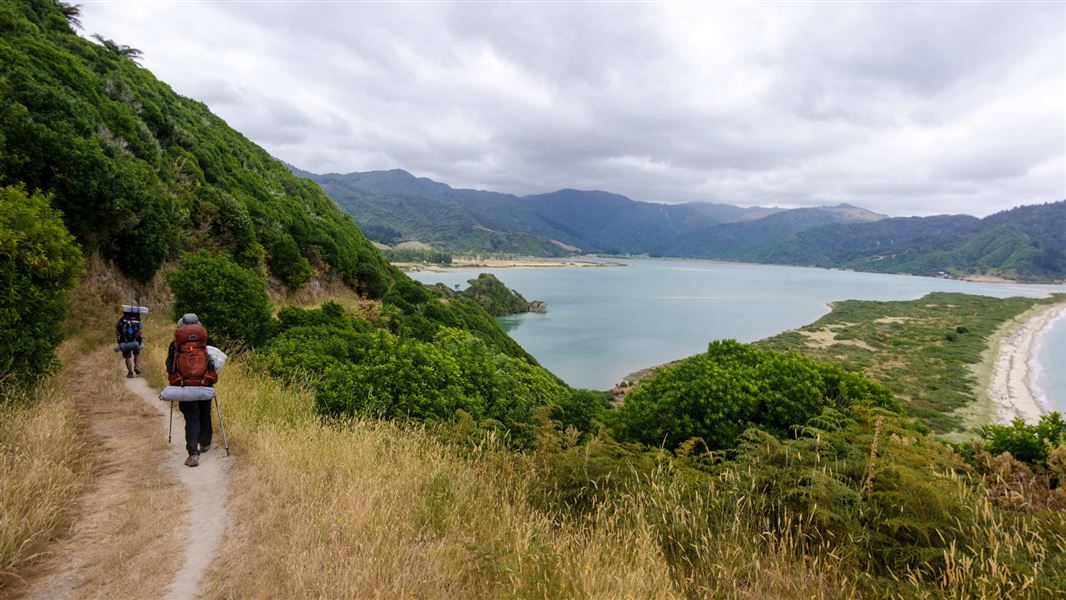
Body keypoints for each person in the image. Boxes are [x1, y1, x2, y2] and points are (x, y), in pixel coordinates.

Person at [166, 313, 219, 467]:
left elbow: (169, 365)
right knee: (204, 411)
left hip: (184, 385)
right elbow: (216, 362)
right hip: (205, 383)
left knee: (191, 417)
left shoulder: (176, 343)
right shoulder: (207, 341)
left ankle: (193, 453)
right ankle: (205, 442)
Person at [115, 310, 143, 378]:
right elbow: (140, 330)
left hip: (124, 343)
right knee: (137, 353)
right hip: (136, 342)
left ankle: (130, 373)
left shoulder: (121, 321)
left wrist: (119, 342)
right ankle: (136, 366)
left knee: (128, 356)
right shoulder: (136, 320)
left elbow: (117, 329)